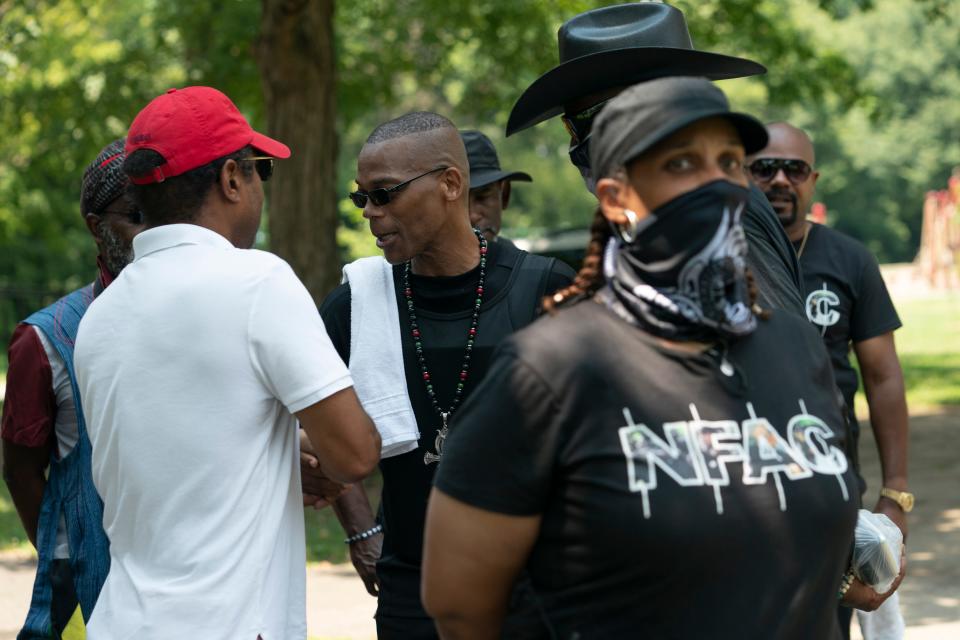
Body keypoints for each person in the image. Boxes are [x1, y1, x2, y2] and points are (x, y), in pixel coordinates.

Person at [423, 78, 902, 639]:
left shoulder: (795, 347)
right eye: (680, 164)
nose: (717, 184)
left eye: (729, 161)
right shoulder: (550, 370)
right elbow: (460, 605)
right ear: (615, 199)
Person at [73, 86, 380, 640]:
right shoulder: (257, 281)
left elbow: (180, 452)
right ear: (232, 178)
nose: (261, 186)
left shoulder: (101, 315)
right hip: (229, 624)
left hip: (122, 619)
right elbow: (355, 453)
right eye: (262, 169)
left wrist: (278, 455)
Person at [319, 112, 575, 639]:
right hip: (414, 592)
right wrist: (362, 530)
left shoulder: (547, 290)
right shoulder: (359, 304)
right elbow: (317, 421)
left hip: (535, 590)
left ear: (450, 184)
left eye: (384, 194)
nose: (370, 212)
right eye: (361, 198)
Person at [505, 1, 805, 315]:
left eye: (585, 123)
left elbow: (783, 344)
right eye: (571, 125)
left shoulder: (718, 208)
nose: (576, 144)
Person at [748, 122, 911, 636]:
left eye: (793, 169)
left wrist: (897, 491)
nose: (779, 180)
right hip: (748, 480)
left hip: (832, 480)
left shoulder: (849, 259)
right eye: (764, 167)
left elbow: (883, 377)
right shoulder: (729, 255)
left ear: (812, 179)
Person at [1, 139, 144, 639]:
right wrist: (70, 544)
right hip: (85, 578)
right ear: (95, 226)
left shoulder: (204, 317)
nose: (151, 233)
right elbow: (20, 466)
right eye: (135, 215)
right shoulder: (44, 338)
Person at [460, 130, 532, 244]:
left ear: (504, 194)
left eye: (482, 197)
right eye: (459, 203)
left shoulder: (523, 260)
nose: (472, 216)